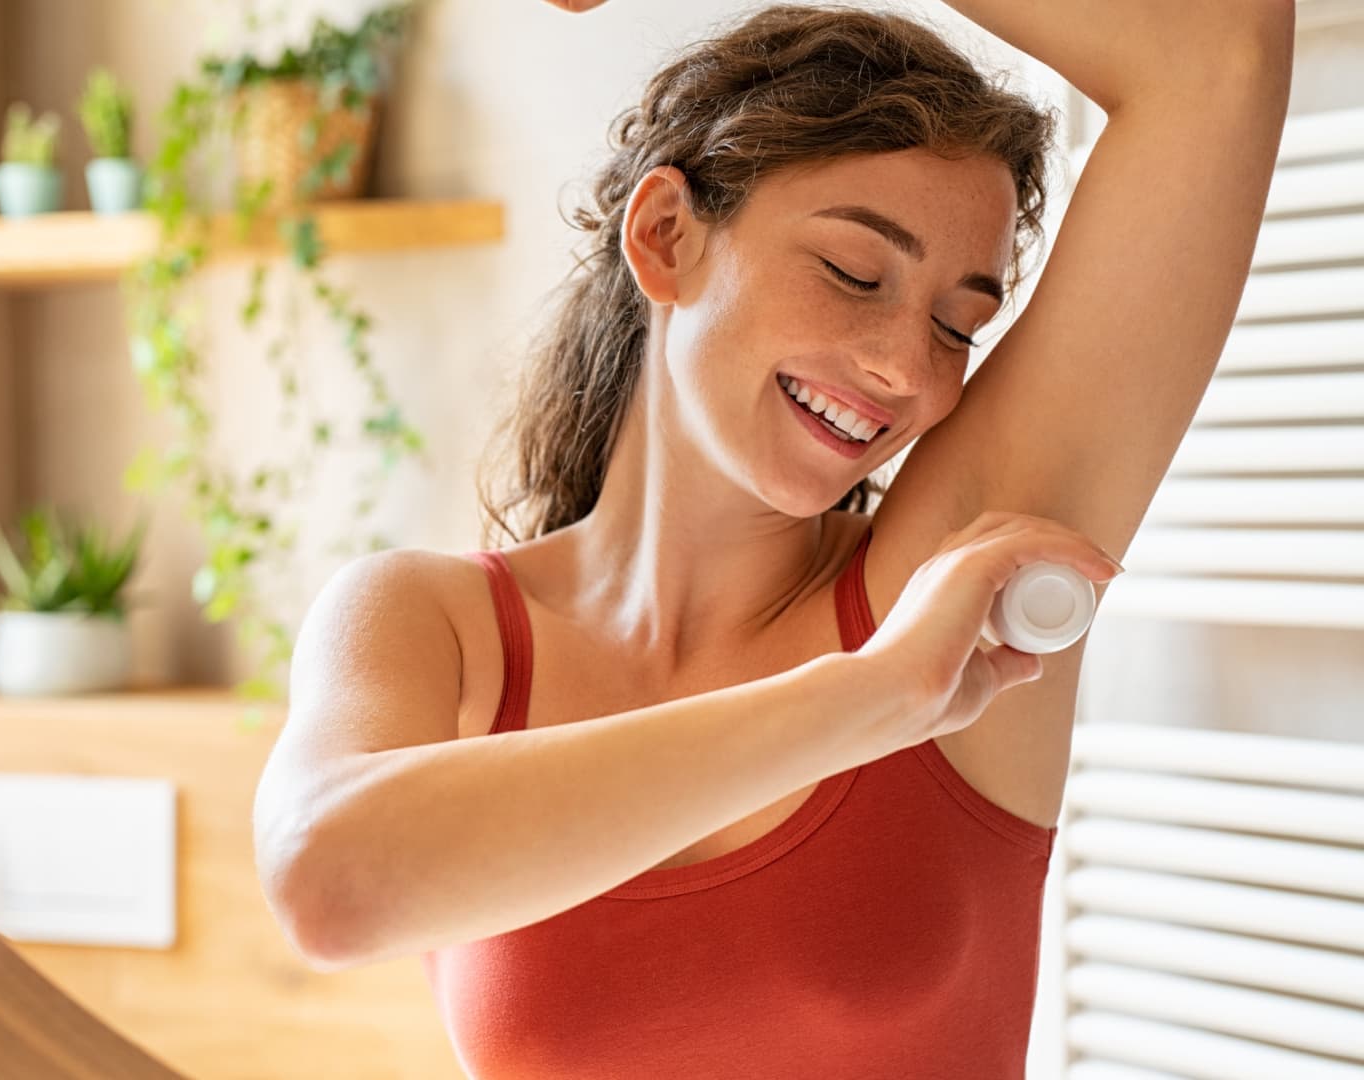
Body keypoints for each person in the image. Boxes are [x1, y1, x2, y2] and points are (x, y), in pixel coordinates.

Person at [253, 1, 1290, 1077]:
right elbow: (328, 884)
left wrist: (893, 672)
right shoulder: (436, 627)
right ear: (664, 236)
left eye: (958, 325)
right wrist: (868, 697)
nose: (908, 368)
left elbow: (1219, 57)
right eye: (854, 272)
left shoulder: (937, 582)